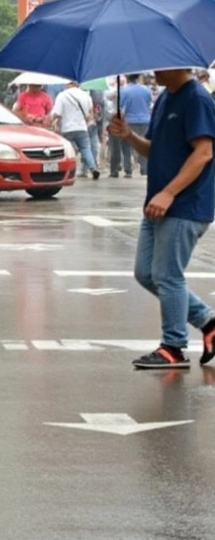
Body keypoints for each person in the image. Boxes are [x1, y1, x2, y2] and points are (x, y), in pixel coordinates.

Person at [108, 68, 215, 369]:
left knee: (168, 276)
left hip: (184, 205)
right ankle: (208, 322)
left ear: (180, 64)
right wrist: (128, 135)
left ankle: (173, 347)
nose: (155, 71)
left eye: (161, 65)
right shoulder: (166, 98)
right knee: (146, 273)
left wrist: (169, 193)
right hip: (158, 204)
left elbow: (204, 152)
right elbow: (154, 150)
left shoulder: (197, 99)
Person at [51, 79, 100, 180]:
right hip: (82, 127)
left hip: (67, 129)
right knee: (86, 149)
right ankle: (93, 168)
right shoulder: (86, 95)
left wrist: (53, 121)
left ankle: (69, 171)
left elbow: (57, 113)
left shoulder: (62, 95)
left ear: (68, 84)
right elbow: (88, 113)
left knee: (69, 151)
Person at [114, 74, 153, 178]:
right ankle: (144, 169)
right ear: (138, 78)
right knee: (143, 142)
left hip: (130, 120)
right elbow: (149, 103)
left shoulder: (124, 91)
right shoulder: (147, 90)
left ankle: (128, 170)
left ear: (127, 78)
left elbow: (119, 106)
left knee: (126, 146)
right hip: (145, 120)